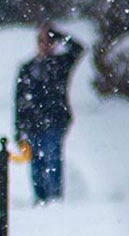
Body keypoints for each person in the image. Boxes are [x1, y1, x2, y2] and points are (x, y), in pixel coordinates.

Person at [13, 23, 86, 203]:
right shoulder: (28, 68)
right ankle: (40, 199)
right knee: (36, 163)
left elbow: (78, 49)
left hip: (54, 119)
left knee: (52, 158)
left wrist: (58, 34)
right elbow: (20, 100)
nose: (44, 45)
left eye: (48, 41)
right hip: (32, 123)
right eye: (41, 41)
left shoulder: (60, 64)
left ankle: (54, 198)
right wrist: (19, 129)